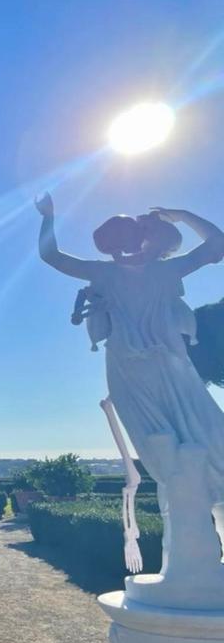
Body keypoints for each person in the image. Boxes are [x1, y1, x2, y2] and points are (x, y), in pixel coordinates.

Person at [35, 193, 224, 533]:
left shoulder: (158, 270)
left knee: (205, 433)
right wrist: (47, 216)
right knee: (161, 445)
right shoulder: (117, 271)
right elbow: (51, 256)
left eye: (142, 229)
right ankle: (190, 522)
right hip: (133, 368)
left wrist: (181, 213)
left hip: (162, 366)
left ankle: (205, 513)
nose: (137, 235)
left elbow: (218, 245)